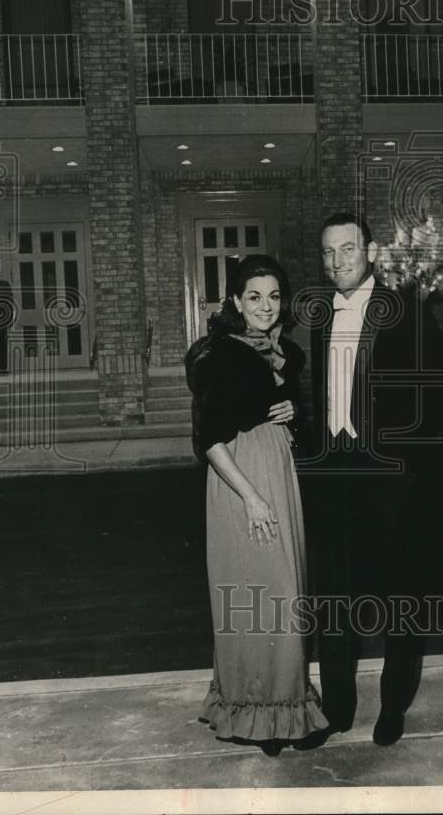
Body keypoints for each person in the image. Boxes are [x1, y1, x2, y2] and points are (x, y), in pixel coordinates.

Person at [300, 212, 443, 749]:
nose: (336, 261)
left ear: (368, 252)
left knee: (399, 597)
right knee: (335, 599)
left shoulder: (405, 311)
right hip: (335, 479)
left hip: (390, 483)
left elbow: (439, 395)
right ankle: (338, 711)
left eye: (346, 249)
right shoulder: (319, 316)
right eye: (327, 252)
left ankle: (393, 707)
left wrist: (399, 454)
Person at [184, 254, 328, 757]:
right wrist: (251, 497)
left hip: (278, 469)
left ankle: (279, 710)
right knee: (258, 590)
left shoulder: (285, 351)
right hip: (241, 480)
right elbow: (209, 438)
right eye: (254, 296)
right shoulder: (215, 354)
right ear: (234, 302)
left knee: (285, 591)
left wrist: (294, 413)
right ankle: (258, 712)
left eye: (273, 296)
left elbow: (292, 419)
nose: (266, 307)